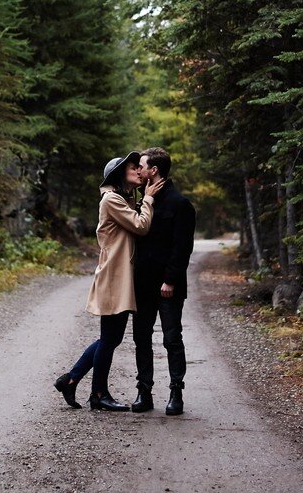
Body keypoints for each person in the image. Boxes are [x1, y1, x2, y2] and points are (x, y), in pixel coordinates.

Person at [54, 151, 166, 411]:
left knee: (110, 338)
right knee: (109, 338)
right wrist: (149, 198)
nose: (139, 171)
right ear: (119, 174)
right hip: (113, 278)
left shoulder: (124, 199)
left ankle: (71, 380)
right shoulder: (112, 200)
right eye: (133, 168)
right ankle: (98, 394)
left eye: (140, 167)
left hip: (118, 277)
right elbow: (140, 226)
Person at [130, 147, 196, 416]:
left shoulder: (180, 204)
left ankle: (175, 392)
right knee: (141, 338)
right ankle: (144, 391)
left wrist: (170, 280)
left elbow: (183, 248)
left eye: (142, 167)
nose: (139, 171)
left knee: (171, 338)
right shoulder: (142, 201)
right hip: (142, 284)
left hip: (168, 286)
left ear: (154, 170)